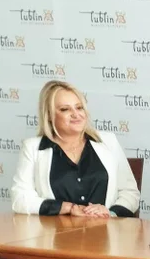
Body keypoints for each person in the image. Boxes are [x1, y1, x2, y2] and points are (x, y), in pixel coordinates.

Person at [12, 80, 140, 217]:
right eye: (65, 109)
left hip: (105, 228)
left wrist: (111, 213)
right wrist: (67, 207)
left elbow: (130, 193)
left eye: (79, 107)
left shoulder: (108, 141)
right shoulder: (32, 148)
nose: (76, 114)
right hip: (55, 230)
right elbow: (20, 199)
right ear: (49, 115)